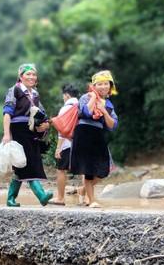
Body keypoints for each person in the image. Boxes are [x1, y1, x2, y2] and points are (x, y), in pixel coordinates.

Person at [2, 63, 53, 207]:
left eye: (34, 74)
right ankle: (42, 195)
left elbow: (42, 114)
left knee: (21, 165)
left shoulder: (35, 94)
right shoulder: (14, 90)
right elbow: (7, 114)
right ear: (20, 76)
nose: (31, 77)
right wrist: (7, 134)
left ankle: (10, 199)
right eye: (28, 74)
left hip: (31, 131)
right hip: (18, 130)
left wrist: (46, 125)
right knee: (28, 162)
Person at [69, 70, 119, 208]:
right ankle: (91, 200)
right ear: (94, 85)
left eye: (106, 84)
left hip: (98, 134)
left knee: (104, 169)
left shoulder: (108, 104)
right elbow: (85, 113)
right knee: (89, 169)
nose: (103, 87)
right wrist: (93, 98)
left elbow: (113, 125)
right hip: (84, 133)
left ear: (110, 86)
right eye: (100, 84)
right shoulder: (86, 97)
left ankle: (83, 190)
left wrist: (103, 111)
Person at [50, 83, 79, 206]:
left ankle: (60, 198)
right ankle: (87, 198)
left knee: (61, 170)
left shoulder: (65, 108)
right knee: (84, 170)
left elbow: (62, 130)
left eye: (63, 95)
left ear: (66, 95)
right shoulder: (81, 106)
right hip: (80, 142)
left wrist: (58, 147)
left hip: (67, 144)